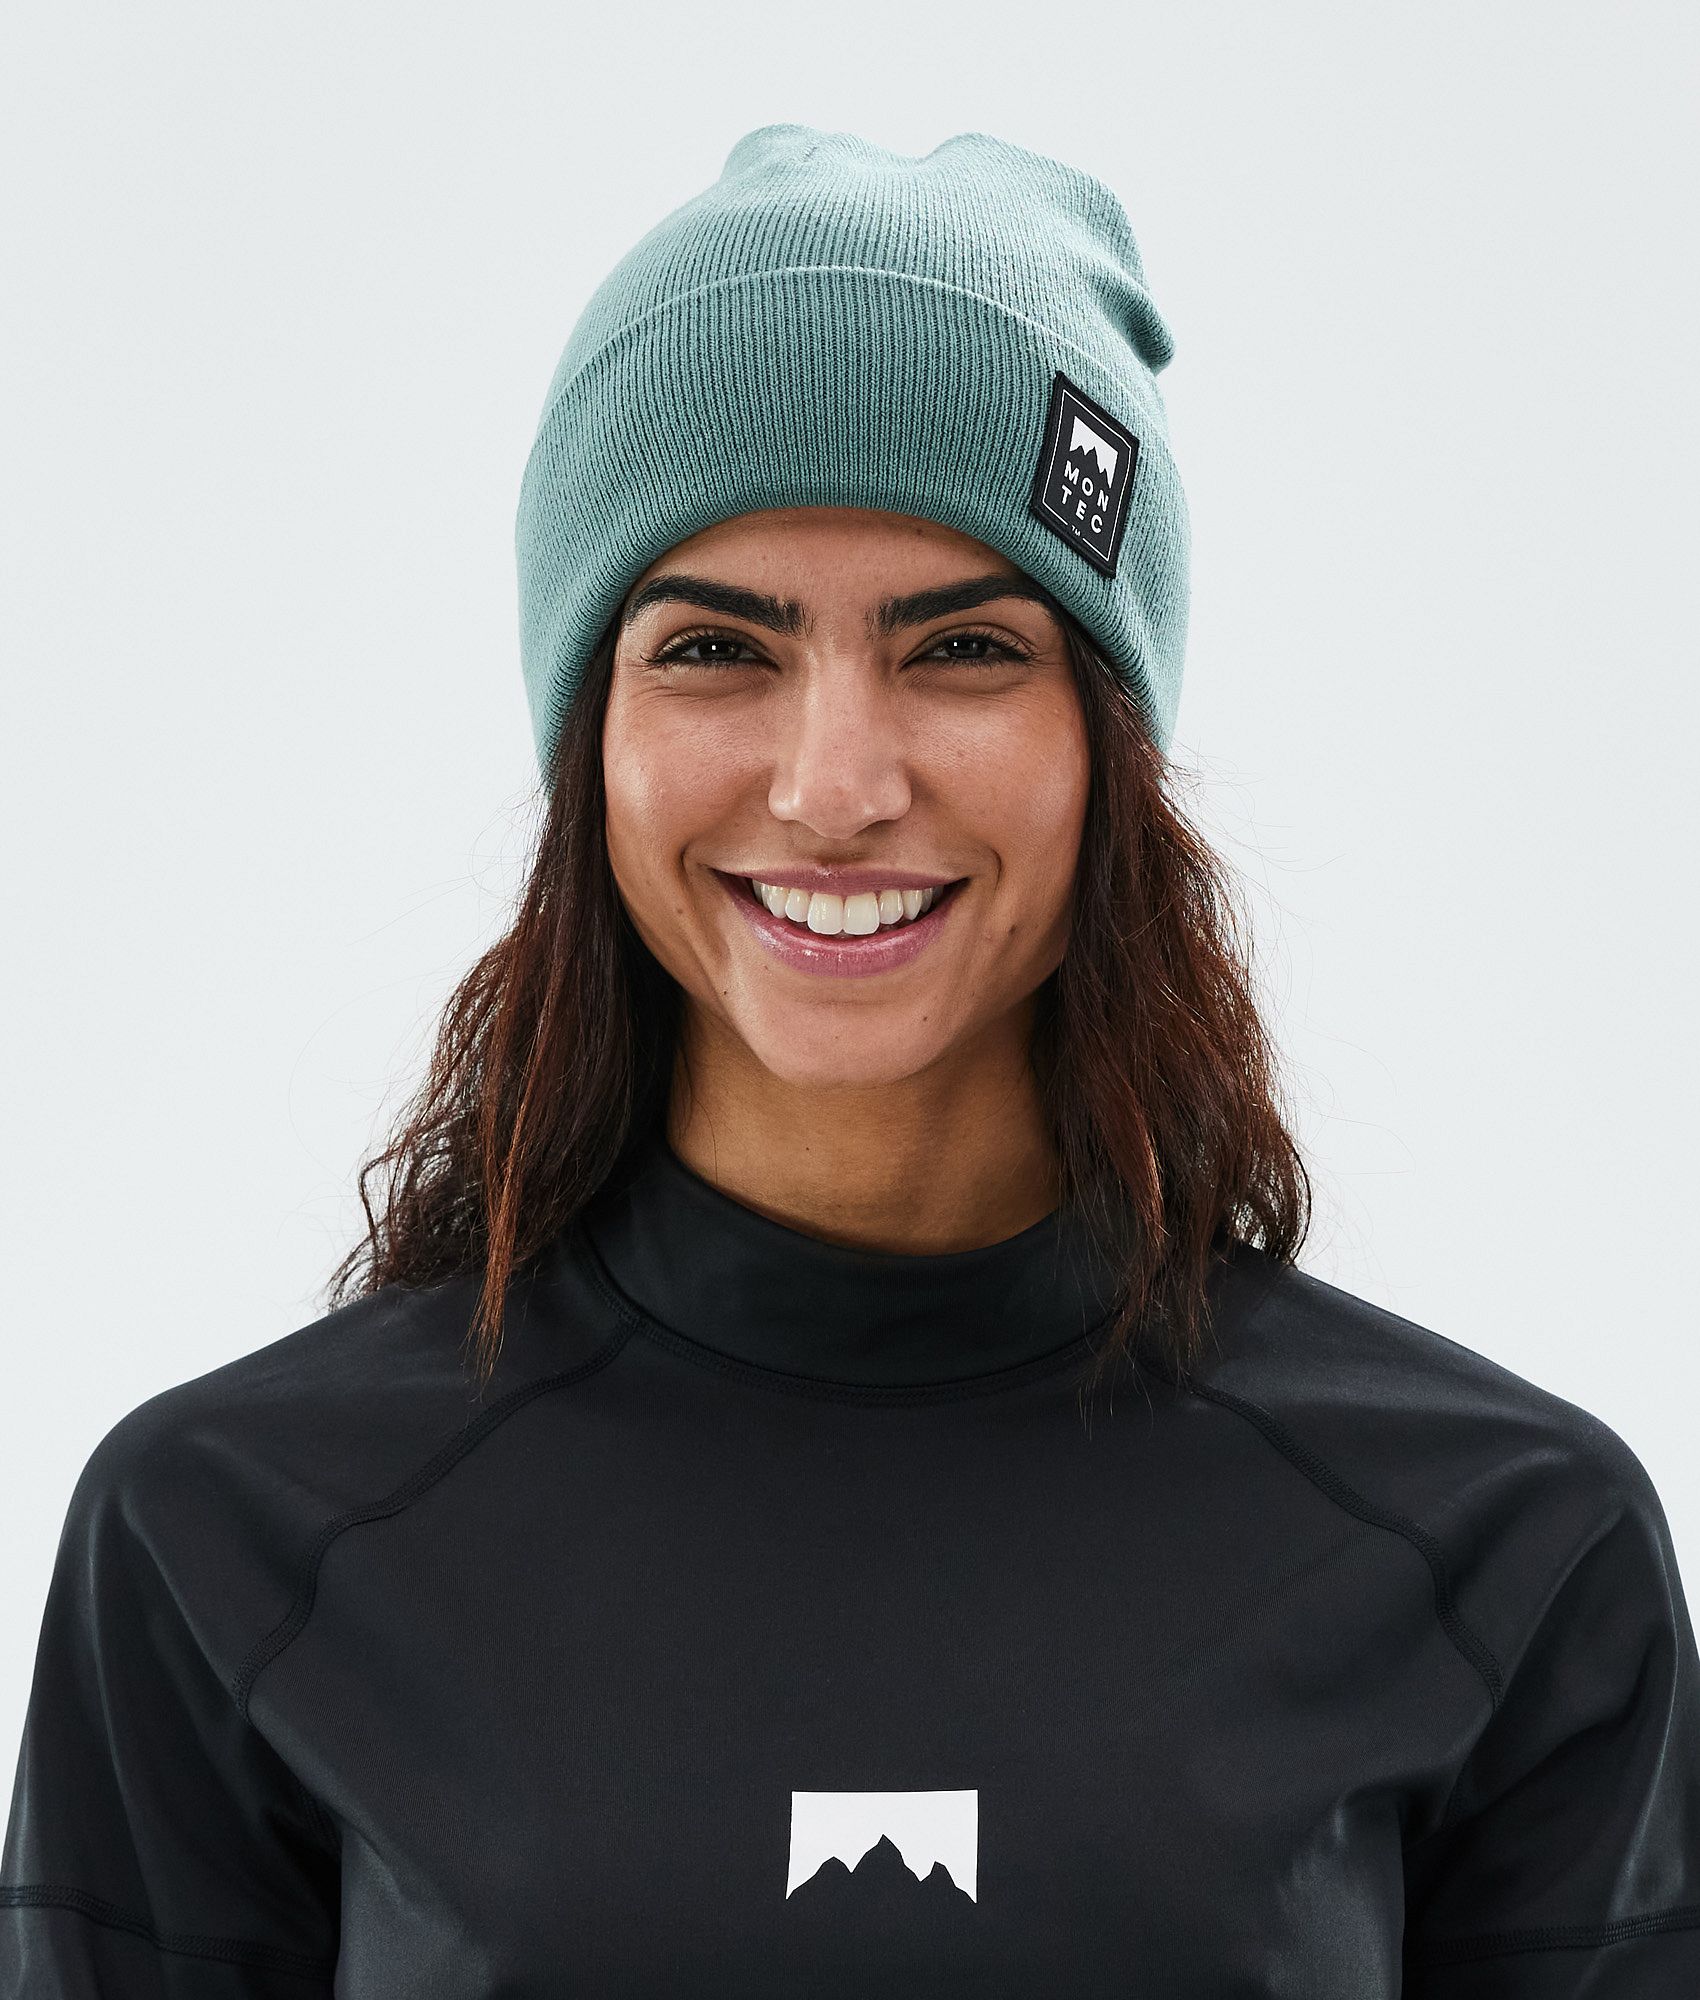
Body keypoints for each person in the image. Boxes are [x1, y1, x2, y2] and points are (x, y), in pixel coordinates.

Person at [3, 122, 1697, 1999]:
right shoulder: (228, 1540)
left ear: (1109, 742)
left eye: (962, 647)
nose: (833, 787)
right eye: (713, 649)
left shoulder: (1502, 1550)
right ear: (591, 740)